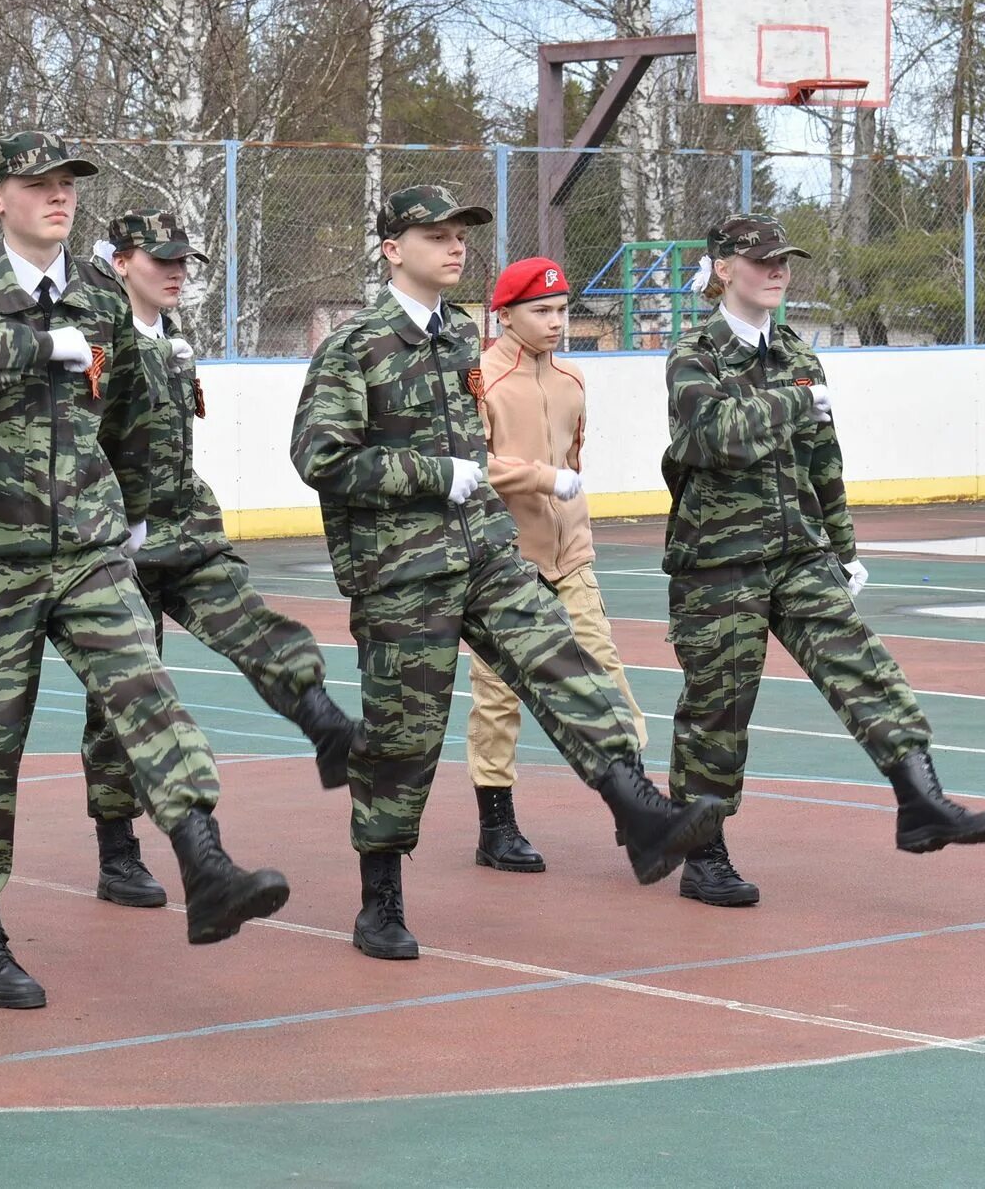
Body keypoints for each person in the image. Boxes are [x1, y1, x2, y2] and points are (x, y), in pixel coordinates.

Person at [0, 131, 290, 1009]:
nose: (58, 195)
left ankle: (204, 856)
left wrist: (140, 517)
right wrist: (34, 349)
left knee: (144, 689)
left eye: (68, 182)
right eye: (38, 183)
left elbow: (134, 419)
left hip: (88, 549)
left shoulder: (100, 298)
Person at [291, 184, 724, 961]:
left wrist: (471, 491)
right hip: (402, 573)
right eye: (434, 234)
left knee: (563, 663)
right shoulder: (355, 345)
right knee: (403, 737)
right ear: (392, 248)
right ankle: (380, 899)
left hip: (487, 554)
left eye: (460, 233)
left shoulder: (459, 335)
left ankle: (639, 812)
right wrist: (432, 474)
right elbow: (319, 457)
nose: (454, 245)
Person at [661, 213, 985, 906]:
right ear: (724, 268)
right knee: (718, 709)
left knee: (863, 666)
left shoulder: (798, 355)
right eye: (762, 261)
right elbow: (712, 437)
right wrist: (793, 402)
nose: (778, 271)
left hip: (796, 551)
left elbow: (823, 462)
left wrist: (843, 548)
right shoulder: (694, 354)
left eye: (784, 260)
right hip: (719, 563)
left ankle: (920, 801)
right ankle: (704, 854)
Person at [75, 207, 357, 910]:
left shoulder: (175, 340)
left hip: (182, 533)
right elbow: (76, 443)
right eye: (159, 260)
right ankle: (118, 851)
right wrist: (113, 523)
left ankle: (325, 725)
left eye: (181, 262)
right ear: (121, 263)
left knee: (250, 620)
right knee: (121, 702)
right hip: (115, 548)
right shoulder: (100, 338)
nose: (174, 273)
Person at [464, 256, 648, 873]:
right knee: (498, 693)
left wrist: (569, 499)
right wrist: (543, 477)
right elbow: (471, 466)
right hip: (504, 561)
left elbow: (575, 451)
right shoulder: (481, 378)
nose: (555, 322)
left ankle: (635, 807)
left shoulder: (571, 379)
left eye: (562, 310)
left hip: (570, 554)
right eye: (541, 311)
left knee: (604, 672)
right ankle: (497, 824)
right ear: (506, 313)